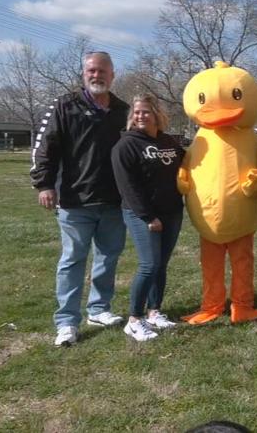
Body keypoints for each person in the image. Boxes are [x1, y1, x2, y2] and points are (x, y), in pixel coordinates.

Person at [31, 51, 130, 347]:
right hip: (74, 200)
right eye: (90, 71)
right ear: (83, 74)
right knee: (72, 260)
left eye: (102, 71)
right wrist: (44, 184)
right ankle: (66, 322)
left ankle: (99, 310)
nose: (96, 75)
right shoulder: (64, 106)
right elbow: (44, 147)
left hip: (114, 201)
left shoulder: (123, 110)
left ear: (113, 75)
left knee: (108, 258)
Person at [111, 94, 184, 342]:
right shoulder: (125, 146)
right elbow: (128, 187)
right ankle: (134, 319)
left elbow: (189, 163)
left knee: (161, 264)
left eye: (146, 112)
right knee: (149, 264)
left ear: (157, 115)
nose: (141, 116)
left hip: (172, 211)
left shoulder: (169, 142)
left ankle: (154, 312)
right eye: (137, 112)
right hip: (142, 214)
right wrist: (148, 216)